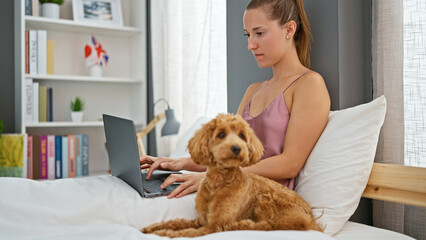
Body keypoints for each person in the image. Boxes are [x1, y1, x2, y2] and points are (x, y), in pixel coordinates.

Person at [140, 0, 330, 199]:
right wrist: (178, 163)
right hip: (230, 190)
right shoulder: (253, 90)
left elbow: (290, 164)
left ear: (289, 29)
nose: (250, 45)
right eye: (248, 35)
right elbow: (230, 157)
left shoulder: (309, 84)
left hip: (265, 200)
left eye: (259, 33)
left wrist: (214, 177)